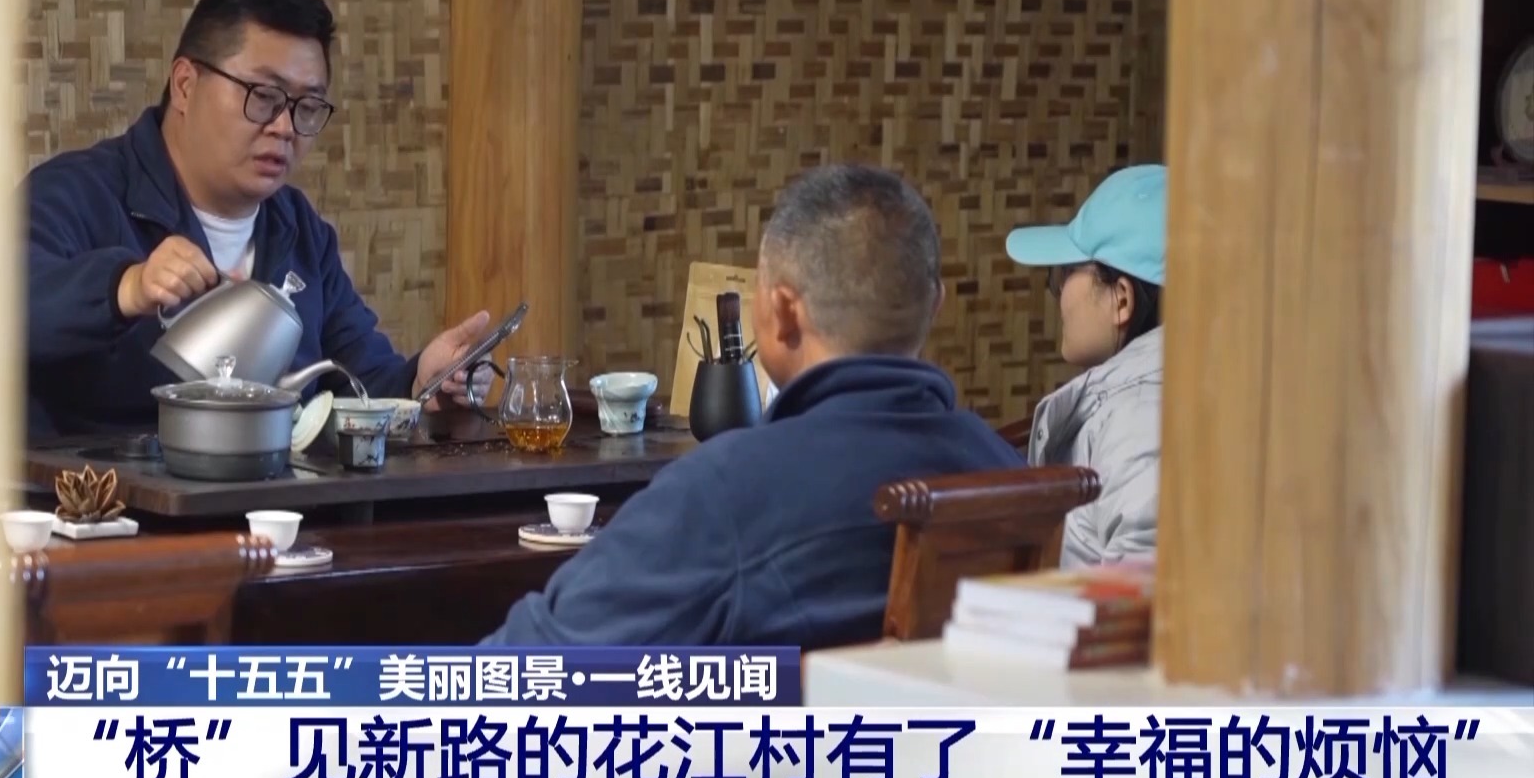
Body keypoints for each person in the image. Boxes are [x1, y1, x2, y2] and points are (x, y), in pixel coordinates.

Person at [480, 164, 1024, 648]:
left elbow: (526, 668)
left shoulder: (725, 491)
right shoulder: (1005, 472)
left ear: (783, 311)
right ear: (935, 306)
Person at [24, 0, 491, 440]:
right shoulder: (74, 194)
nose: (285, 127)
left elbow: (360, 379)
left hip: (273, 489)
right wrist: (125, 287)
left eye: (307, 106)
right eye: (264, 96)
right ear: (185, 85)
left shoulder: (299, 230)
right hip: (104, 486)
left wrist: (422, 385)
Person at [1004, 164, 1166, 566]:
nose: (1059, 292)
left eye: (1066, 273)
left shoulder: (1139, 421)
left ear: (1121, 299)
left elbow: (1147, 587)